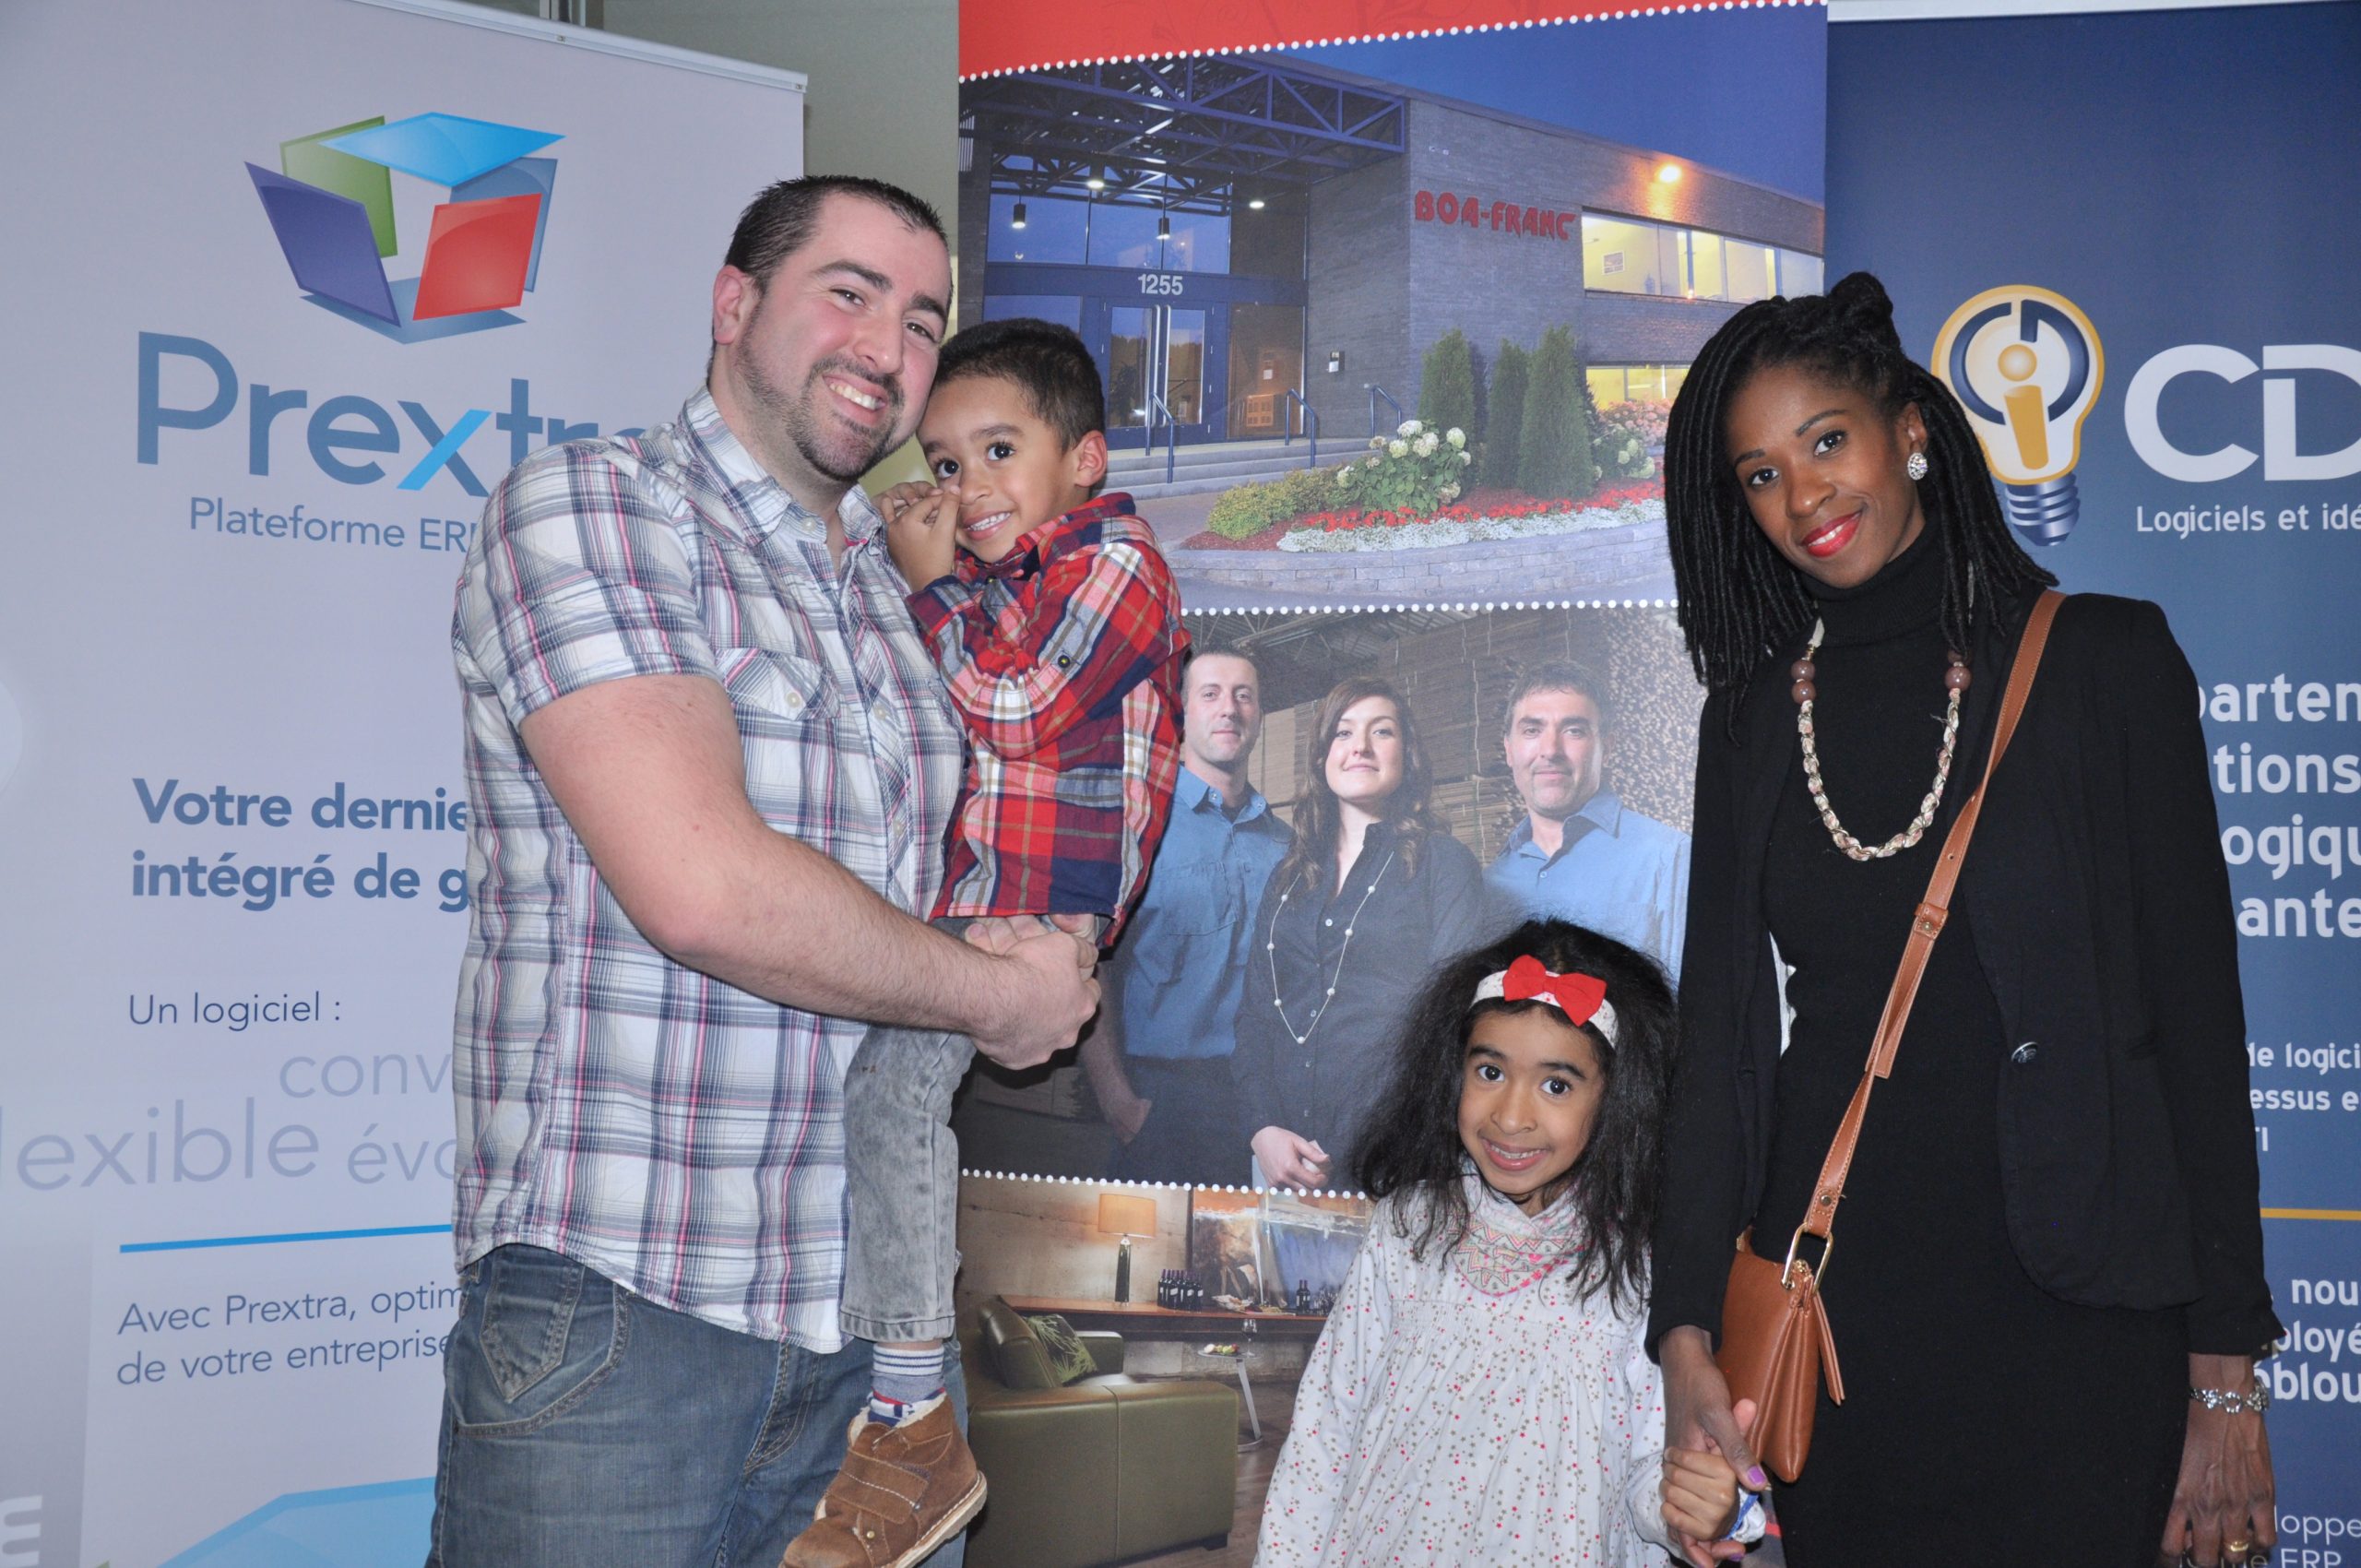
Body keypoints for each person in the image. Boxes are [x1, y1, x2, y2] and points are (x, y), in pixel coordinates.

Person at [433, 177, 1099, 1568]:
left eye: (921, 321)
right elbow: (704, 889)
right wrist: (995, 995)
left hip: (872, 1345)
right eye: (849, 293)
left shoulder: (890, 586)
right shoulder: (596, 508)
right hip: (626, 1312)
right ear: (734, 304)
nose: (887, 348)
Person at [1648, 273, 2280, 1567]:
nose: (1804, 496)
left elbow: (2198, 1028)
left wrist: (2223, 1370)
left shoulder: (2106, 661)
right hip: (1842, 1320)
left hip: (2083, 1318)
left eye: (1827, 441)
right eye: (1762, 475)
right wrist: (1685, 1333)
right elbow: (1719, 1044)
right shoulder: (1753, 717)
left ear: (1911, 431)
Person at [783, 316, 1187, 1567]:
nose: (969, 488)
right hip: (974, 895)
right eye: (947, 463)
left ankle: (914, 1420)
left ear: (1085, 458)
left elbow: (1017, 708)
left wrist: (932, 586)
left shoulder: (1121, 561)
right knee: (873, 1104)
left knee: (894, 1102)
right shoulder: (998, 575)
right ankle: (891, 1388)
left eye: (1001, 451)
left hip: (1036, 906)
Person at [1257, 920, 1765, 1566]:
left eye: (1557, 1085)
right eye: (1491, 1071)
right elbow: (1324, 1435)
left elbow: (1646, 1472)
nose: (1511, 1116)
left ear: (1617, 1100)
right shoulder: (1408, 1228)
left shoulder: (1641, 1270)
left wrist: (1689, 1504)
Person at [1234, 675, 1486, 1191]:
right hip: (1282, 1161)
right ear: (1322, 756)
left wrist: (1375, 1141)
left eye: (1382, 731)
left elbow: (1454, 1023)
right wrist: (1262, 1129)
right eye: (1343, 732)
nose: (1361, 747)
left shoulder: (1444, 865)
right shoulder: (1289, 877)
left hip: (1391, 1159)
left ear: (1406, 755)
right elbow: (1256, 1017)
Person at [1080, 647, 1294, 1185]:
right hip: (1161, 1097)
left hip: (1264, 1100)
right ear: (1182, 712)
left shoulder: (1286, 846)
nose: (1229, 709)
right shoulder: (1140, 828)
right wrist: (1119, 1102)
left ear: (1259, 716)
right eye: (1211, 694)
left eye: (1244, 696)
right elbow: (1091, 964)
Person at [1485, 661, 1691, 982]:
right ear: (1509, 750)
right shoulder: (1490, 882)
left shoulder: (1669, 858)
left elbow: (1691, 997)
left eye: (1574, 731)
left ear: (1607, 748)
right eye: (1532, 731)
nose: (1550, 750)